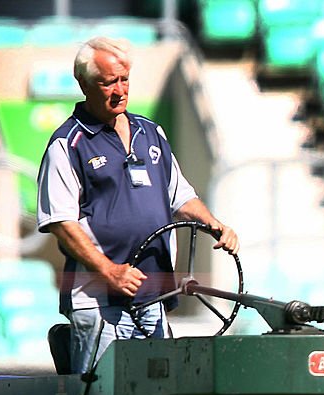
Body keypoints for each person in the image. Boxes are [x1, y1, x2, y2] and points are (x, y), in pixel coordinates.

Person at [37, 37, 238, 373]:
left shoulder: (151, 132)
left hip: (153, 299)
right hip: (98, 302)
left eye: (124, 79)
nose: (119, 90)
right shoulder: (67, 143)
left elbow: (181, 196)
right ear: (83, 83)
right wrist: (109, 271)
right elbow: (61, 223)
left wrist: (214, 224)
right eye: (107, 82)